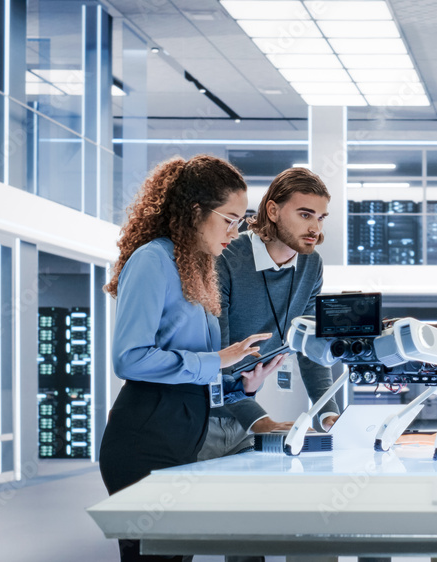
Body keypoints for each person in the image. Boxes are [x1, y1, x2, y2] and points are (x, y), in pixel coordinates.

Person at [98, 155, 289, 562]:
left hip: (185, 437)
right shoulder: (152, 260)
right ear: (195, 212)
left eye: (242, 220)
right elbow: (129, 359)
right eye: (230, 219)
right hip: (145, 440)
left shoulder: (198, 266)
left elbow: (197, 368)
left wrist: (241, 383)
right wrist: (217, 360)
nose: (236, 231)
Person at [197, 167, 339, 462]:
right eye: (305, 214)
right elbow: (215, 352)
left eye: (321, 217)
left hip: (245, 412)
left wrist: (328, 413)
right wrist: (261, 421)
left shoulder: (311, 266)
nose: (315, 228)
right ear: (273, 211)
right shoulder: (225, 256)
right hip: (200, 416)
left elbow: (310, 347)